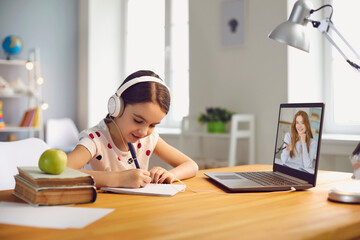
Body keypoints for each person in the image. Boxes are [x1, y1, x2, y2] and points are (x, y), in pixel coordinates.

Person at [67, 70, 198, 188]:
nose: (144, 132)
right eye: (138, 121)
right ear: (117, 107)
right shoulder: (94, 140)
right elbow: (62, 173)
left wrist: (169, 174)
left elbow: (191, 165)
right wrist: (118, 179)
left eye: (152, 125)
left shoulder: (149, 139)